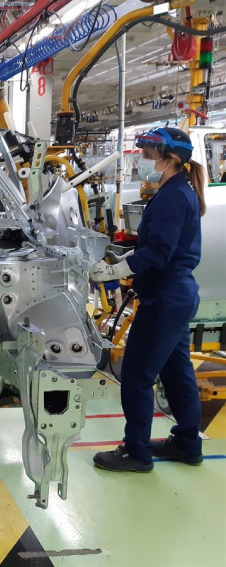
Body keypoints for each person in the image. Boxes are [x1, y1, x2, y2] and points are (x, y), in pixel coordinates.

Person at [89, 127, 207, 472]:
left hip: (164, 299)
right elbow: (157, 246)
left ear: (169, 160)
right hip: (175, 295)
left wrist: (114, 270)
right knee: (176, 372)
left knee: (137, 375)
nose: (142, 159)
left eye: (148, 154)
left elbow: (159, 252)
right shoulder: (175, 191)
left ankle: (137, 452)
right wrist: (123, 257)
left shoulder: (173, 196)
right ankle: (187, 443)